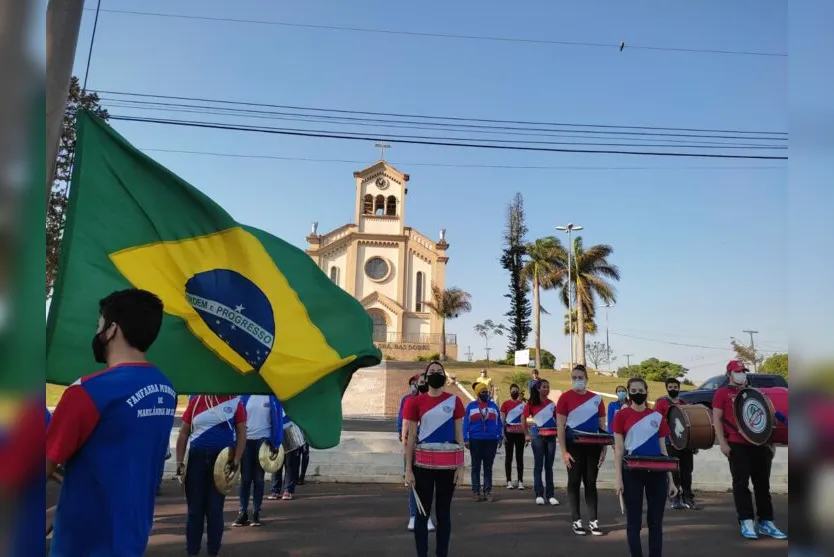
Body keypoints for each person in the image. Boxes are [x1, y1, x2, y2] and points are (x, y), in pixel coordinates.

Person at [46, 289, 177, 557]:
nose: (97, 332)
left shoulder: (88, 391)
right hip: (131, 538)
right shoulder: (166, 389)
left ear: (112, 329)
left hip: (83, 544)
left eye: (99, 325)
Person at [712, 360, 787, 540]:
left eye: (744, 371)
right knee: (741, 484)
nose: (742, 374)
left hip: (760, 445)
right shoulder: (722, 393)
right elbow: (717, 419)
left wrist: (771, 443)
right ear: (729, 373)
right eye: (738, 371)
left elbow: (768, 418)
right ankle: (746, 520)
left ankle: (766, 521)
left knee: (763, 485)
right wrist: (723, 442)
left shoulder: (755, 392)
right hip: (737, 445)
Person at [403, 361, 465, 557]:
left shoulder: (455, 401)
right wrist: (408, 469)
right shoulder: (414, 402)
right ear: (426, 376)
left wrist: (461, 465)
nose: (436, 374)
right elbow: (411, 436)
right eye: (432, 371)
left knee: (443, 514)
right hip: (423, 465)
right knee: (422, 514)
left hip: (448, 466)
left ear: (444, 376)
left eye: (439, 371)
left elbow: (459, 434)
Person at [613, 377, 678, 557]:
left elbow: (663, 449)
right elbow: (618, 449)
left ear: (646, 391)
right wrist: (618, 478)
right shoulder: (621, 416)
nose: (637, 394)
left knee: (655, 522)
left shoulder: (657, 417)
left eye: (640, 390)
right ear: (628, 393)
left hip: (657, 474)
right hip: (631, 473)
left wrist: (671, 480)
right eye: (633, 391)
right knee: (633, 523)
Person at [176, 394, 246, 556]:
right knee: (195, 511)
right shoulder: (196, 401)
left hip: (222, 462)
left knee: (214, 510)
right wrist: (180, 462)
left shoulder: (235, 402)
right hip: (196, 461)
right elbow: (184, 432)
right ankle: (192, 552)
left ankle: (213, 552)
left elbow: (242, 432)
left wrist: (236, 459)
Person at [556, 364, 606, 536]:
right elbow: (560, 426)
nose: (577, 380)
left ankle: (593, 521)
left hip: (593, 447)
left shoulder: (597, 399)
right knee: (574, 482)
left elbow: (602, 426)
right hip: (573, 447)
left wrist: (604, 448)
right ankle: (576, 521)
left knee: (591, 483)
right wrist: (564, 451)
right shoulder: (564, 398)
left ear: (586, 379)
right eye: (574, 378)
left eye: (580, 377)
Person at [233, 394, 283, 527]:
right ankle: (242, 512)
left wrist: (276, 442)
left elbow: (278, 421)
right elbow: (236, 419)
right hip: (246, 441)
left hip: (264, 442)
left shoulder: (271, 397)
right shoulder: (244, 396)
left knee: (259, 479)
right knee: (245, 479)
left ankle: (256, 512)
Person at [654, 378, 699, 510]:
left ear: (679, 388)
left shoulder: (684, 403)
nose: (673, 389)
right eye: (670, 387)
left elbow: (690, 425)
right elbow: (657, 422)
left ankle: (688, 498)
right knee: (674, 472)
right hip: (669, 443)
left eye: (675, 386)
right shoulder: (661, 403)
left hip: (685, 444)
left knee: (687, 471)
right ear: (666, 388)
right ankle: (674, 498)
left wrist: (693, 443)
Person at [398, 373, 432, 531]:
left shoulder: (434, 401)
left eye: (422, 382)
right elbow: (403, 421)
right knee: (414, 482)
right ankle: (413, 515)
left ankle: (427, 516)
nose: (419, 385)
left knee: (430, 484)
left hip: (429, 446)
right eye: (417, 382)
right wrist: (404, 440)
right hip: (413, 444)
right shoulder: (408, 400)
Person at [521, 379, 559, 506]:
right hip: (537, 437)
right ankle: (539, 494)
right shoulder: (531, 403)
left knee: (549, 466)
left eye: (548, 387)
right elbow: (523, 418)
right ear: (538, 389)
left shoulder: (552, 404)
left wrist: (559, 432)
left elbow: (558, 419)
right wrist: (526, 434)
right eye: (543, 387)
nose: (546, 389)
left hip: (551, 437)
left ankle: (550, 495)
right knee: (538, 465)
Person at [464, 382, 503, 501]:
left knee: (488, 467)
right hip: (475, 440)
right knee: (475, 467)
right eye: (482, 391)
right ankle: (476, 491)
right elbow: (465, 423)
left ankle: (488, 491)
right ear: (477, 393)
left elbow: (499, 422)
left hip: (491, 440)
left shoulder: (494, 406)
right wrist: (466, 438)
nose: (485, 393)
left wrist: (500, 436)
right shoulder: (471, 406)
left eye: (486, 391)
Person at [500, 383, 526, 490]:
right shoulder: (505, 404)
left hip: (520, 434)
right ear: (510, 392)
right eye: (513, 391)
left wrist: (526, 433)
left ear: (519, 392)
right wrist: (502, 434)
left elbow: (524, 420)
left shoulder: (523, 404)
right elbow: (502, 420)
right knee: (509, 457)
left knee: (519, 458)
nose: (514, 392)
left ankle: (520, 481)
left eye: (516, 391)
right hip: (509, 433)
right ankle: (509, 481)